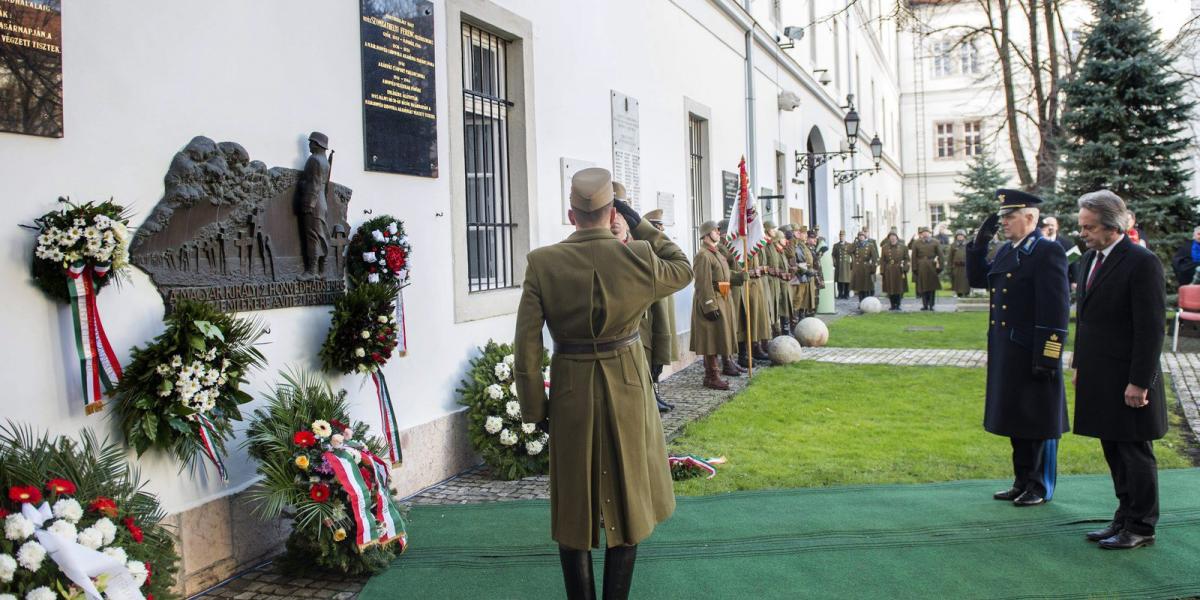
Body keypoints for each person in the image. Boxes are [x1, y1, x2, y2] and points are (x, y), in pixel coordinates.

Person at [513, 167, 692, 599]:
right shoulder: (639, 258)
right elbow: (684, 267)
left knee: (573, 506)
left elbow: (526, 346)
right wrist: (638, 222)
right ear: (612, 212)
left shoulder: (543, 262)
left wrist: (535, 410)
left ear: (570, 215)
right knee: (628, 499)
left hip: (571, 388)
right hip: (629, 385)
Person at [1072, 190, 1167, 550]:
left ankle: (1141, 525)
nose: (1083, 233)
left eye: (1089, 227)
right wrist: (1080, 363)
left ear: (1112, 227)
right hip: (1100, 374)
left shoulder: (1141, 262)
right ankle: (1124, 516)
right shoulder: (1089, 260)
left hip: (1129, 378)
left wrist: (1139, 382)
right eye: (1081, 227)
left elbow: (1150, 327)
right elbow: (1087, 320)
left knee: (1134, 452)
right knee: (1112, 447)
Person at [965, 188, 1070, 507]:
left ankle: (1038, 485)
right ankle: (1021, 480)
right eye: (1002, 218)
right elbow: (979, 280)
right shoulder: (1009, 249)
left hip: (1032, 351)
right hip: (1007, 351)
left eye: (1009, 217)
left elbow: (1056, 309)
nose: (1004, 223)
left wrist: (1048, 356)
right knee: (1015, 416)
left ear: (1030, 218)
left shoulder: (1045, 252)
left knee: (1035, 419)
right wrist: (978, 245)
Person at [637, 207, 680, 413]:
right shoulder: (645, 247)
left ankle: (655, 392)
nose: (661, 229)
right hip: (651, 307)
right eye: (657, 226)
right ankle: (651, 394)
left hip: (663, 304)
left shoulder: (658, 248)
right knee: (651, 351)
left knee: (660, 351)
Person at [692, 221, 741, 389]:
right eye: (715, 230)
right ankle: (711, 376)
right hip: (711, 299)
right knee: (710, 339)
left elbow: (724, 276)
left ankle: (717, 373)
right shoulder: (703, 255)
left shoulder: (716, 253)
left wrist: (740, 277)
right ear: (707, 233)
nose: (718, 232)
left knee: (719, 336)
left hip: (723, 297)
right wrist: (709, 305)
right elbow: (702, 283)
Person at [297, 131, 331, 280]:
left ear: (317, 144)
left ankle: (311, 271)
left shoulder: (315, 160)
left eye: (311, 142)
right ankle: (321, 270)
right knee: (321, 236)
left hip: (314, 202)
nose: (309, 145)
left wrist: (309, 204)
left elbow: (315, 184)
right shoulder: (325, 162)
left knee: (312, 237)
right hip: (321, 202)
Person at [909, 226, 944, 311]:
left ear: (929, 233)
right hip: (921, 266)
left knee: (932, 286)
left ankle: (931, 305)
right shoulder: (917, 243)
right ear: (921, 234)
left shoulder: (935, 242)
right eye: (923, 232)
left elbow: (940, 255)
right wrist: (914, 268)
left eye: (927, 232)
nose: (925, 234)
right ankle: (925, 305)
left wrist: (940, 267)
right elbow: (913, 256)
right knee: (923, 286)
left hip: (932, 265)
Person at [1041, 216, 1078, 286]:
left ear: (1057, 227)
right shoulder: (1037, 242)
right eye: (1047, 225)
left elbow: (1074, 262)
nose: (1050, 227)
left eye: (1052, 225)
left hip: (1061, 283)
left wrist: (1075, 280)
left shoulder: (1068, 243)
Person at [880, 230, 909, 311]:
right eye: (891, 237)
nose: (892, 238)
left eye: (894, 237)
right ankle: (892, 305)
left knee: (899, 288)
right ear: (889, 238)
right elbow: (882, 260)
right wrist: (882, 270)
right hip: (889, 270)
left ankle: (898, 304)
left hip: (899, 270)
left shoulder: (903, 247)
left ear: (897, 237)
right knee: (890, 288)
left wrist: (905, 268)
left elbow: (907, 259)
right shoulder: (884, 247)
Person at [851, 231, 879, 303]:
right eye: (859, 236)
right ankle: (861, 302)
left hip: (867, 268)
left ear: (865, 237)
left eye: (862, 236)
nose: (861, 237)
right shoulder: (856, 245)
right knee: (860, 288)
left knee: (867, 287)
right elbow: (849, 251)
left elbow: (874, 258)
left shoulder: (870, 245)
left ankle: (867, 302)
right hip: (858, 269)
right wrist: (854, 243)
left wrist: (873, 268)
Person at [948, 230, 970, 297]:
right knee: (957, 281)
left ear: (964, 236)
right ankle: (958, 293)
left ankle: (966, 293)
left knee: (965, 281)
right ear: (956, 237)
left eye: (961, 235)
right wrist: (950, 266)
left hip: (966, 266)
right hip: (956, 266)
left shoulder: (968, 244)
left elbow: (971, 255)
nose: (960, 237)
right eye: (958, 236)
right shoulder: (953, 245)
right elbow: (950, 256)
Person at [832, 230, 853, 299]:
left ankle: (846, 294)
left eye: (843, 236)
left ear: (845, 236)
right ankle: (840, 294)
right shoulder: (836, 246)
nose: (841, 237)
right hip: (839, 266)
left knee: (847, 281)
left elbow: (853, 256)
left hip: (847, 266)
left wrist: (852, 264)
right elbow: (833, 255)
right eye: (840, 236)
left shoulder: (849, 245)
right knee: (839, 281)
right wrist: (834, 262)